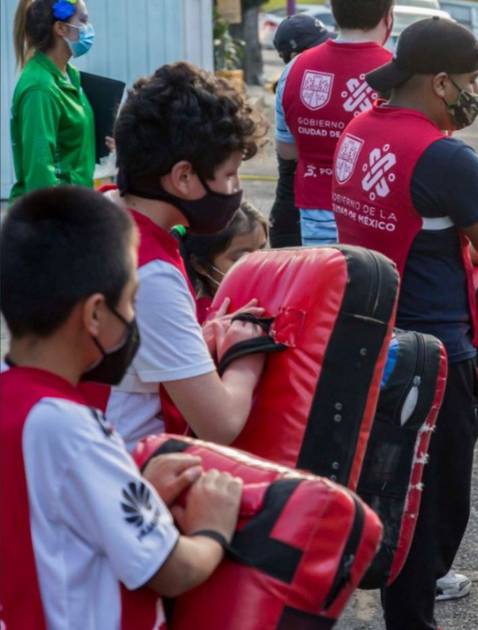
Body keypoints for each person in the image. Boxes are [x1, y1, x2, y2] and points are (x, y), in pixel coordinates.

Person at [331, 18, 478, 630]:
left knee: (384, 491)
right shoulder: (445, 156)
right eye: (471, 81)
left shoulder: (357, 130)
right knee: (432, 512)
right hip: (436, 359)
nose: (475, 94)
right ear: (441, 82)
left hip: (367, 338)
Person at [0, 186, 244, 629]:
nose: (133, 318)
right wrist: (214, 528)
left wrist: (138, 491)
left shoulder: (16, 399)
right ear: (95, 314)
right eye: (131, 301)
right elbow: (172, 569)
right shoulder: (75, 428)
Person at [104, 62, 267, 448]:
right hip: (123, 465)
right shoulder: (149, 274)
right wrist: (248, 352)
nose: (236, 189)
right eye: (230, 175)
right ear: (183, 177)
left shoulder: (99, 212)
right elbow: (221, 423)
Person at [276, 0, 394, 246]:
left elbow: (287, 150)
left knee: (323, 272)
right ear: (387, 17)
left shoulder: (295, 68)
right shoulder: (399, 73)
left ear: (335, 14)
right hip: (379, 215)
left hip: (315, 217)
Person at [9, 0, 96, 198]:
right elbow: (40, 174)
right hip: (55, 210)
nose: (88, 28)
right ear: (61, 28)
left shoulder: (70, 75)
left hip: (78, 205)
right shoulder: (40, 88)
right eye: (83, 20)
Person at [268, 12, 332, 247]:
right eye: (320, 47)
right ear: (294, 56)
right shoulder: (291, 85)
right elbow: (288, 151)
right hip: (295, 213)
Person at [179, 201, 269, 323]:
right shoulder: (196, 322)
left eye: (262, 252)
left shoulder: (272, 298)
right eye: (242, 258)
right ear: (200, 265)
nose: (258, 264)